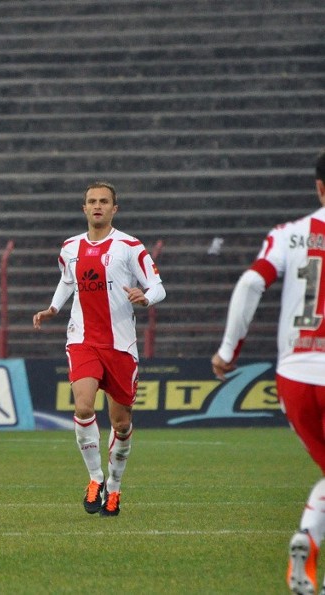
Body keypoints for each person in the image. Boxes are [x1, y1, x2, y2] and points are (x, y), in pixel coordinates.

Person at [211, 150, 325, 595]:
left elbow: (251, 282)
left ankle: (308, 548)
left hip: (294, 375)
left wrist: (227, 349)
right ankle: (309, 539)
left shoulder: (290, 234)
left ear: (318, 186)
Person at [32, 182, 165, 517]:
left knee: (121, 423)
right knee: (83, 406)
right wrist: (53, 309)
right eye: (92, 201)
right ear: (84, 208)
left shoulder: (129, 246)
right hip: (83, 340)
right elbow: (67, 281)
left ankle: (115, 487)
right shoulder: (70, 247)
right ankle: (94, 479)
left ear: (114, 209)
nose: (97, 206)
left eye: (104, 201)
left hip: (120, 344)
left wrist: (145, 297)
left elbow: (158, 286)